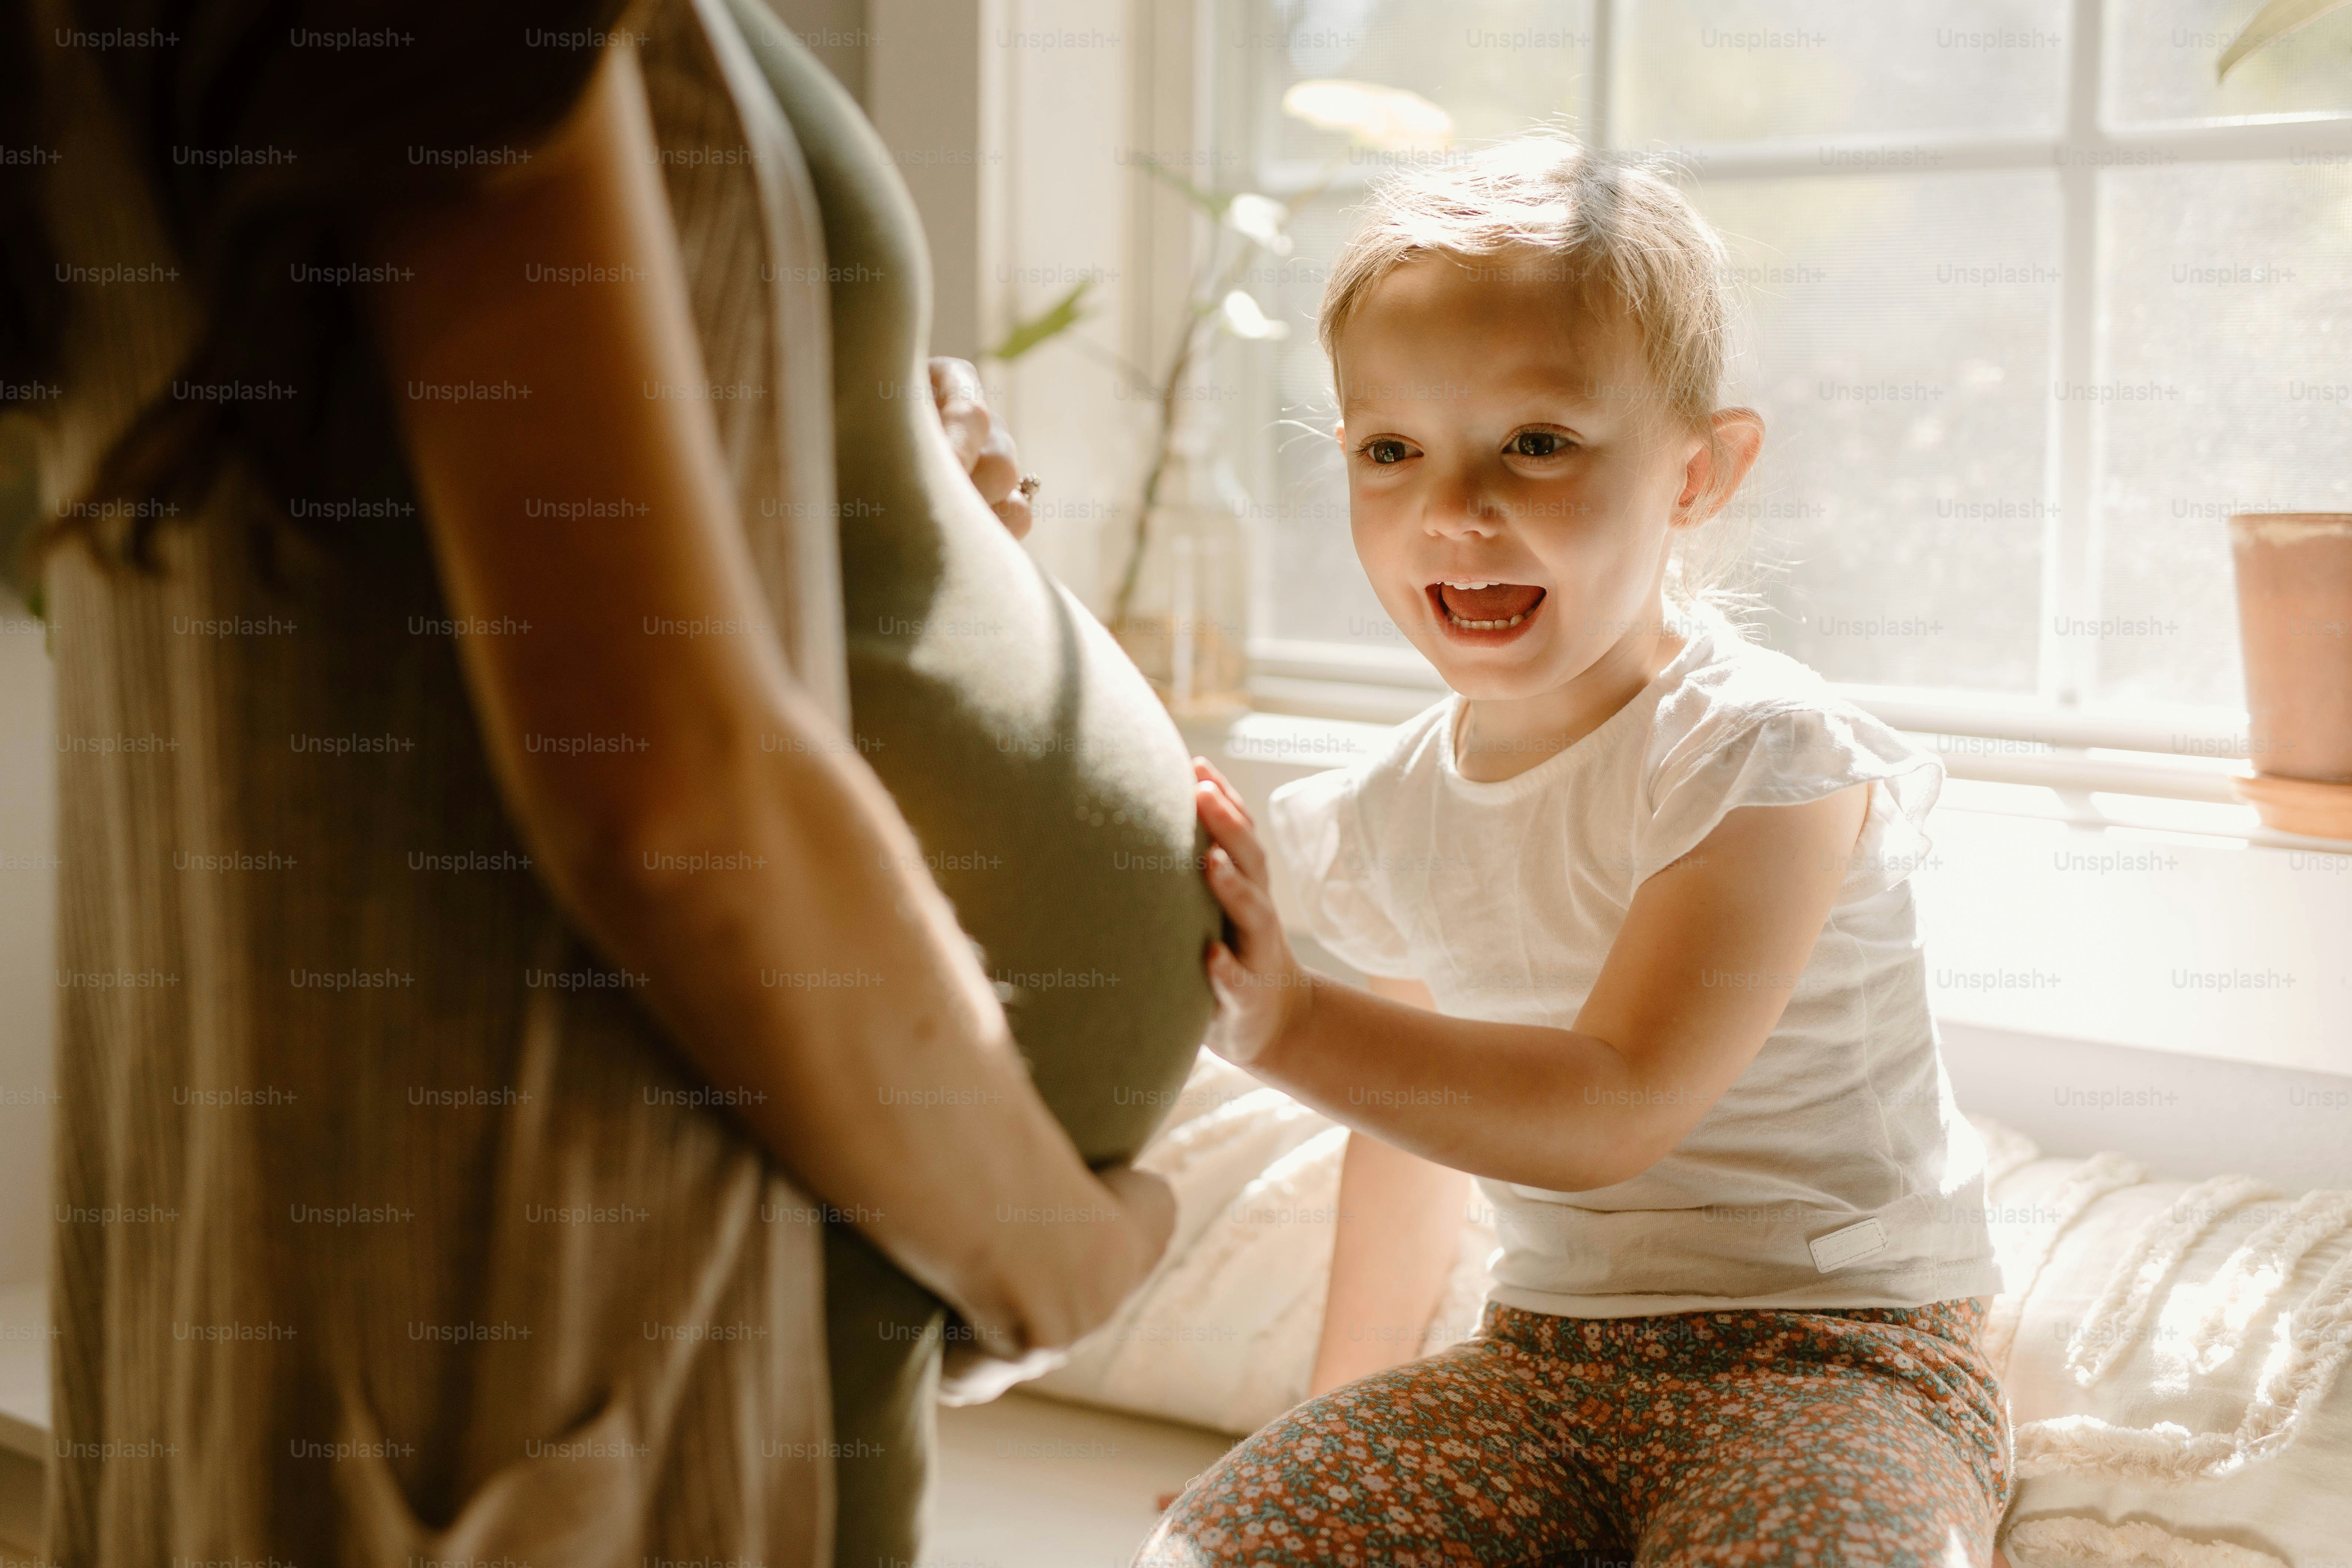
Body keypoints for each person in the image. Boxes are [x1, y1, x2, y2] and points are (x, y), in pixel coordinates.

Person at [8, 5, 1171, 1562]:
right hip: (586, 1255)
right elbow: (668, 799)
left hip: (579, 1217)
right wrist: (1054, 1253)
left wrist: (843, 431)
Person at [1150, 131, 2012, 1563]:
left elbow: (1618, 1101)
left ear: (1699, 471)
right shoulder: (1381, 816)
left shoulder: (1761, 756)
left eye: (1537, 443)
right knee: (1222, 1548)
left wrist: (1291, 1020)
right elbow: (1412, 1135)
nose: (1457, 508)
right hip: (1548, 1357)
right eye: (1392, 450)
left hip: (1841, 1356)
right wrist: (1325, 1434)